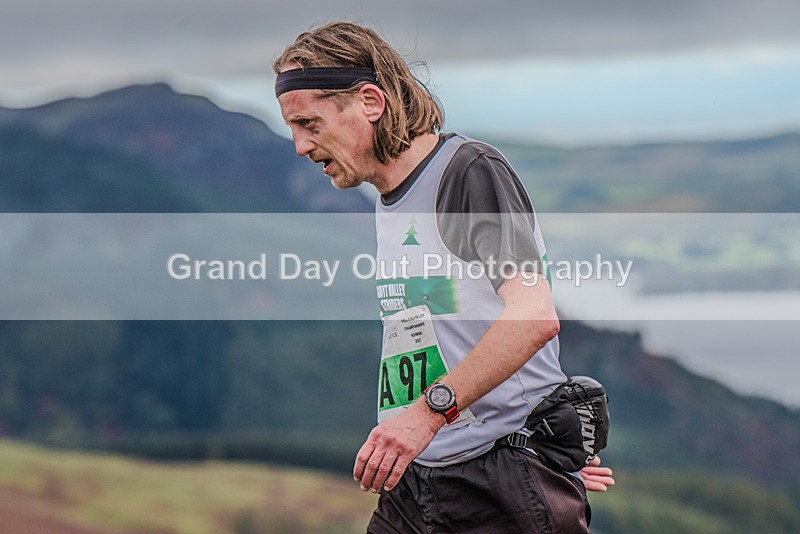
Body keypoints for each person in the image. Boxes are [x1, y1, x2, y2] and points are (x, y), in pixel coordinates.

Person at [273, 21, 614, 533]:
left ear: (369, 101)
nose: (300, 146)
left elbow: (534, 316)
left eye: (311, 124)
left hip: (497, 479)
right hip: (419, 479)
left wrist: (429, 417)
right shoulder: (391, 199)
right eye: (293, 129)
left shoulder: (468, 172)